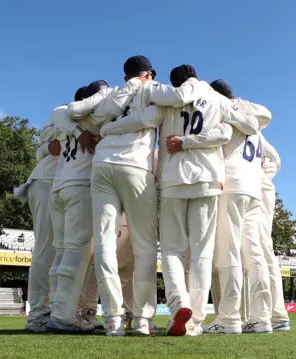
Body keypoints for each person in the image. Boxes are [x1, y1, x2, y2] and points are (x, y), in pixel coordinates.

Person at [107, 64, 257, 336]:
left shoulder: (166, 101)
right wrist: (228, 111)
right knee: (202, 253)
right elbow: (249, 125)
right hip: (208, 180)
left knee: (172, 251)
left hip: (173, 181)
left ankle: (178, 302)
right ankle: (194, 321)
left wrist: (106, 129)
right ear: (197, 78)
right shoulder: (216, 97)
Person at [69, 56, 204, 336]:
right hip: (135, 167)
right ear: (148, 73)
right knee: (144, 246)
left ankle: (113, 319)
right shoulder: (151, 88)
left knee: (105, 243)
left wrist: (107, 129)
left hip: (102, 165)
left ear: (125, 75)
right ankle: (142, 318)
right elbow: (180, 98)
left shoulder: (113, 93)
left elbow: (93, 121)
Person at [177, 79, 271, 334]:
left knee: (227, 255)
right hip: (253, 189)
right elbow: (265, 114)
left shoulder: (225, 113)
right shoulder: (253, 117)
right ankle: (261, 317)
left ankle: (229, 318)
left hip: (231, 186)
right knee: (254, 255)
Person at [46, 84, 105, 334]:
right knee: (74, 254)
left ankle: (58, 312)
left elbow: (57, 113)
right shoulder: (98, 117)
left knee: (61, 254)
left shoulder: (64, 117)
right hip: (80, 186)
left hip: (59, 188)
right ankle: (62, 317)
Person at [14, 94, 73, 333]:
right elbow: (46, 140)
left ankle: (67, 311)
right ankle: (38, 314)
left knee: (70, 250)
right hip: (48, 181)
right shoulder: (66, 111)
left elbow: (46, 145)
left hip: (70, 186)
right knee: (47, 248)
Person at [259, 134, 290, 331]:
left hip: (256, 188)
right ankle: (262, 315)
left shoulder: (246, 118)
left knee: (262, 248)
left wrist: (270, 170)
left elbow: (276, 157)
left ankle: (276, 315)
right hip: (243, 188)